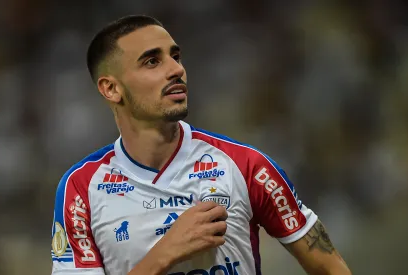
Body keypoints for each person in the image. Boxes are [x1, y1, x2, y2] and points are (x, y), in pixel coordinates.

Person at [50, 15, 352, 275]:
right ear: (112, 88)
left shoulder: (246, 166)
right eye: (152, 61)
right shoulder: (80, 189)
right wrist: (163, 255)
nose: (176, 70)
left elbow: (331, 267)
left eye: (176, 57)